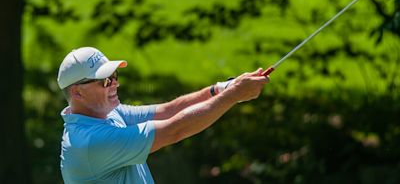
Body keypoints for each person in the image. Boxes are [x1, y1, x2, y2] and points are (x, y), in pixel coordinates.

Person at [58, 47, 269, 184]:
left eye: (114, 76)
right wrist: (233, 95)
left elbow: (168, 110)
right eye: (105, 80)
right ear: (78, 92)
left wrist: (222, 88)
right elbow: (175, 129)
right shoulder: (88, 142)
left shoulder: (106, 112)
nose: (115, 83)